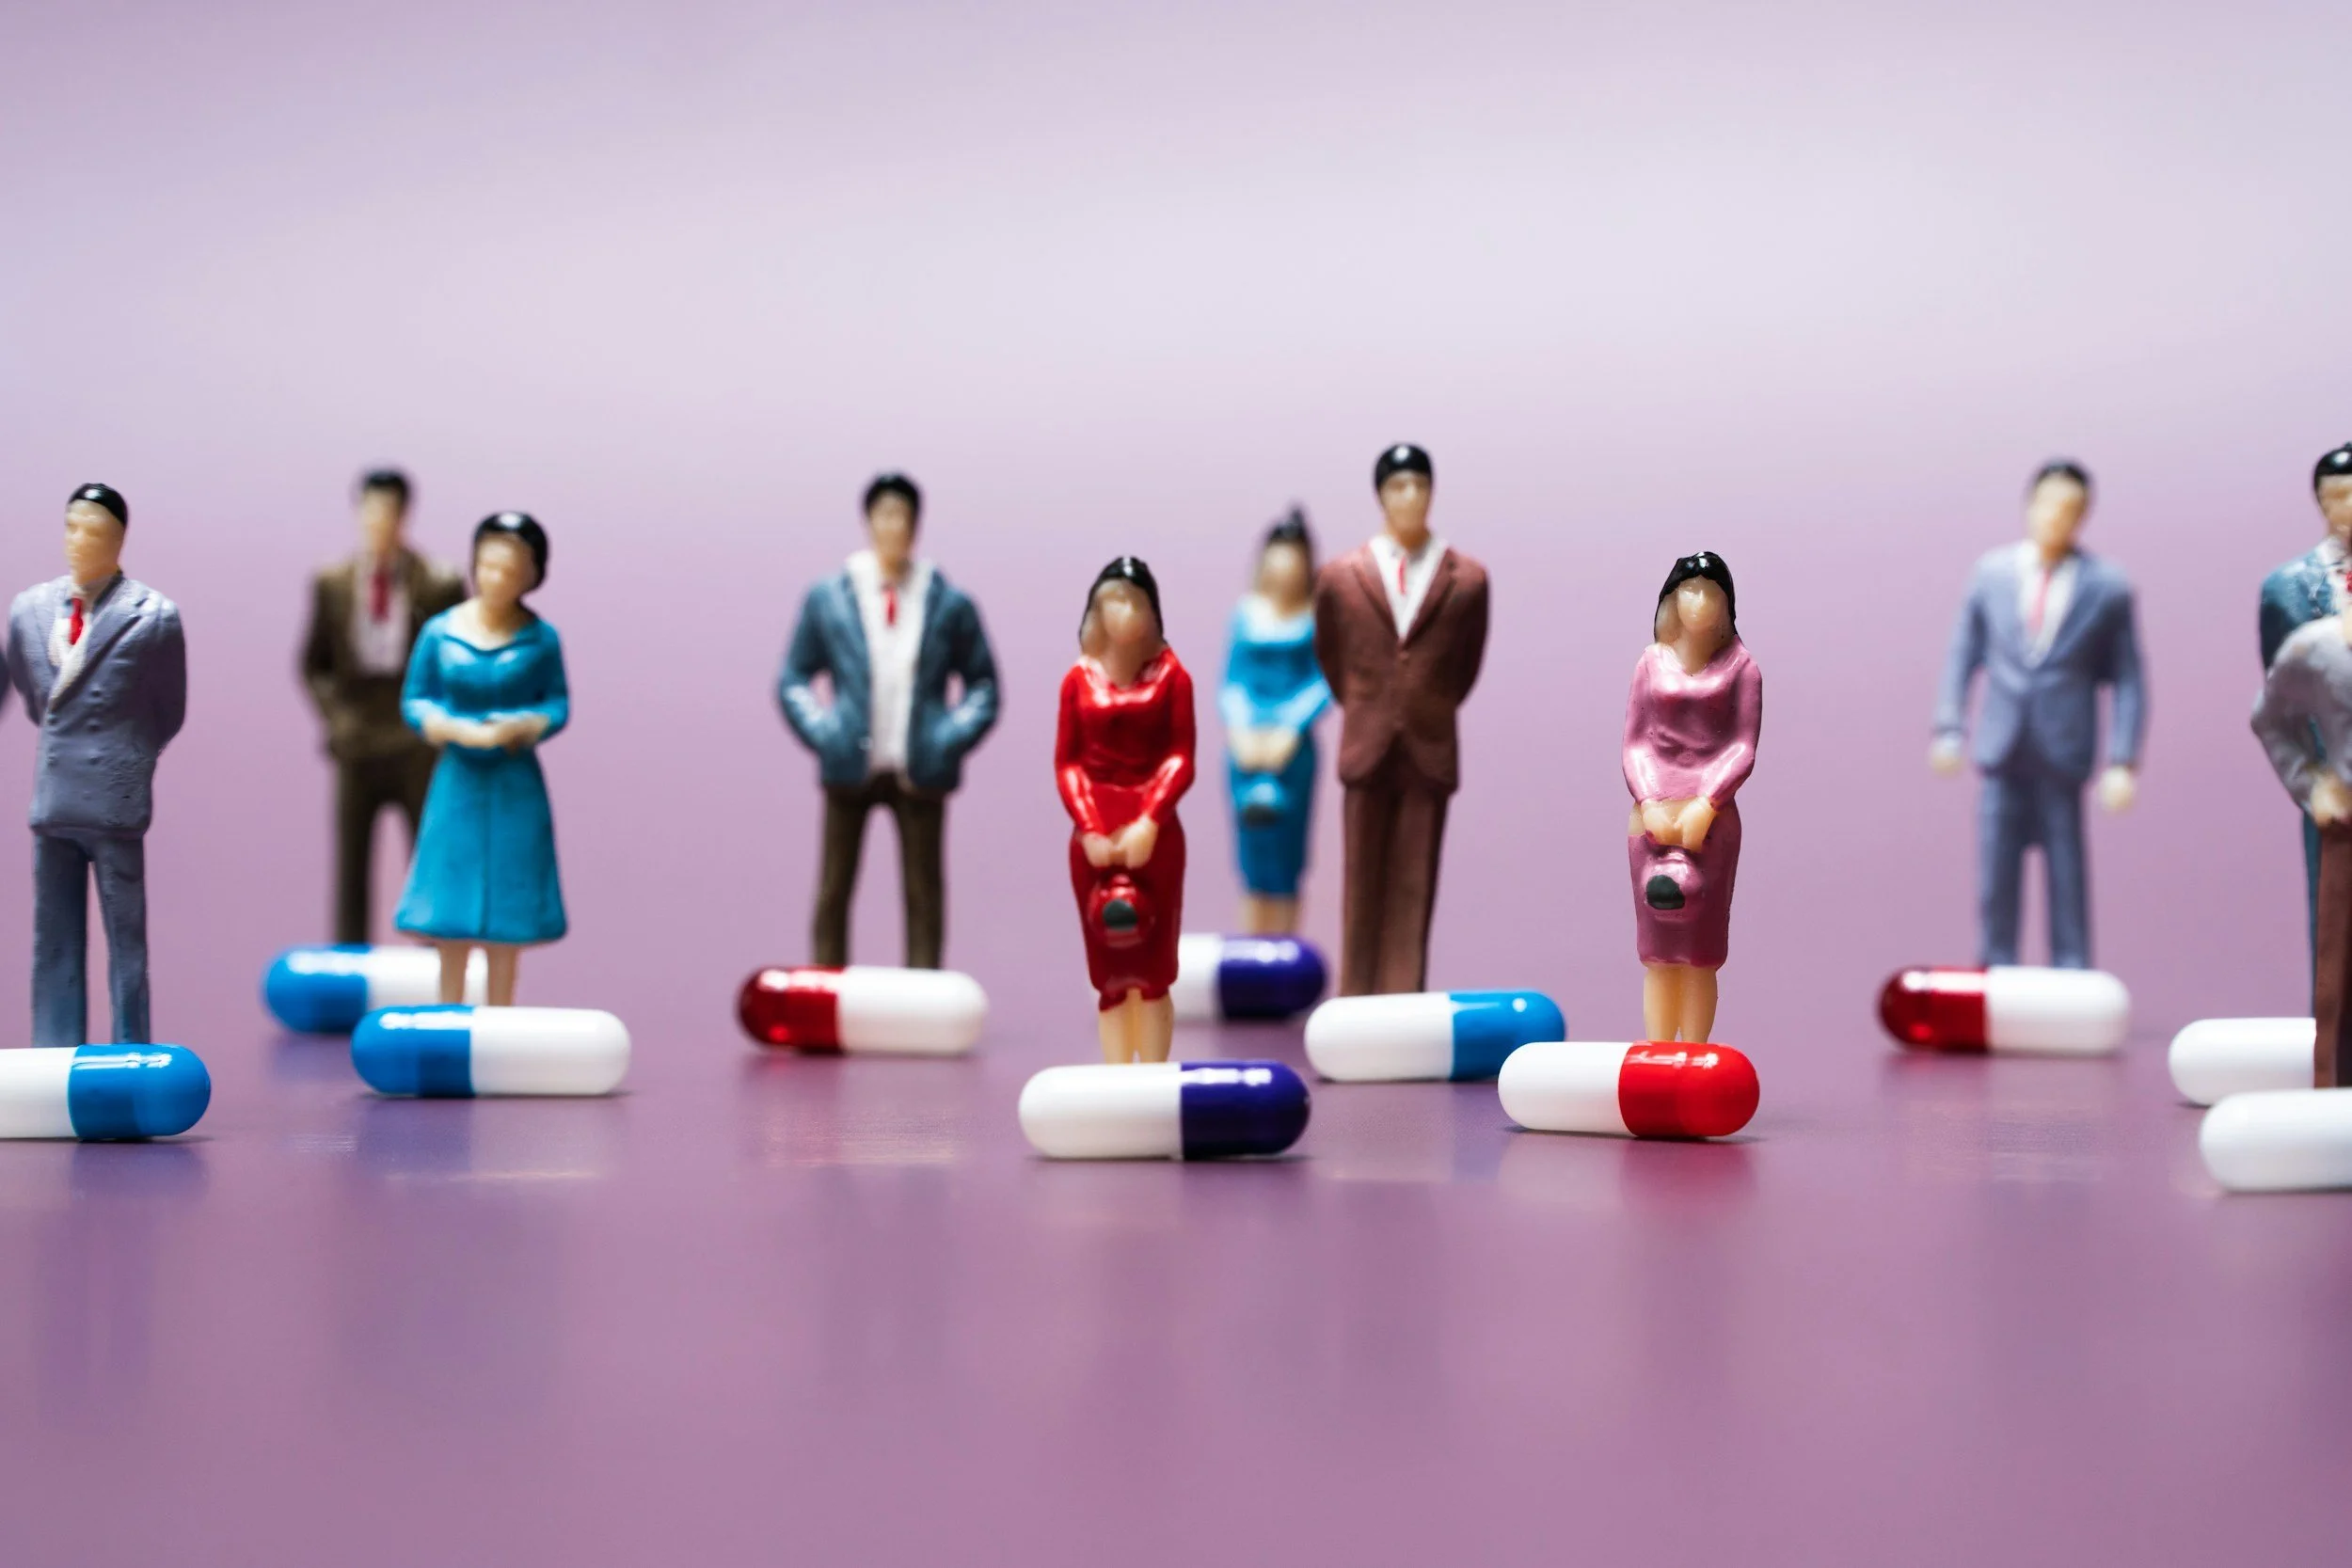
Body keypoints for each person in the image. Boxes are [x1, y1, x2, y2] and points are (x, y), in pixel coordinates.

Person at [779, 473, 999, 969]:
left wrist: (947, 739)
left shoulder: (947, 601)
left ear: (916, 525)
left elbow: (984, 687)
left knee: (924, 890)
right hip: (849, 765)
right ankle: (826, 982)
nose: (893, 526)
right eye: (884, 515)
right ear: (868, 522)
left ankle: (924, 987)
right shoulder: (830, 598)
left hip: (918, 768)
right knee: (834, 887)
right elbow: (793, 677)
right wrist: (824, 731)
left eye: (902, 516)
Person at [1932, 459, 2145, 969]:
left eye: (2071, 508)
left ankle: (2071, 968)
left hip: (2063, 748)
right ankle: (1995, 966)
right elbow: (1963, 653)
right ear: (2029, 506)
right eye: (2049, 503)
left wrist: (2122, 760)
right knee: (1995, 871)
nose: (2057, 517)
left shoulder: (2108, 586)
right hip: (2002, 745)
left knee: (2066, 869)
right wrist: (1949, 726)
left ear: (2084, 516)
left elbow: (2130, 678)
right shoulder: (1991, 573)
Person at [5, 483, 187, 1046]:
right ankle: (54, 1047)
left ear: (118, 538)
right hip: (55, 795)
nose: (79, 540)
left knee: (125, 939)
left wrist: (126, 760)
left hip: (114, 799)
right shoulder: (30, 609)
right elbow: (35, 697)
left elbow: (168, 711)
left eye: (94, 530)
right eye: (71, 526)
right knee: (52, 937)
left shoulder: (153, 615)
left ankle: (131, 1047)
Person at [1312, 443, 1488, 995]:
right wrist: (1369, 705)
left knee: (1415, 879)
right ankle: (1356, 995)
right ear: (1380, 495)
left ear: (1432, 492)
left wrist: (1425, 706)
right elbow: (1331, 655)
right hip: (1366, 742)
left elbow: (1464, 666)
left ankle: (1402, 996)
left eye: (1419, 485)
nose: (1410, 497)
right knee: (1361, 877)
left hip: (1429, 743)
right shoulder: (1341, 576)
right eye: (1398, 486)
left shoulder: (1468, 579)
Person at [394, 513, 569, 1006]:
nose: (497, 580)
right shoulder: (440, 632)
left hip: (515, 783)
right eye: (489, 567)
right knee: (451, 892)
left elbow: (557, 704)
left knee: (508, 907)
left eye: (511, 571)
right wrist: (449, 727)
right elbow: (416, 700)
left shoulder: (542, 639)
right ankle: (448, 1004)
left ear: (532, 575)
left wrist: (525, 726)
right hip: (460, 781)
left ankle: (500, 1010)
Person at [299, 467, 464, 943]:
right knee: (351, 862)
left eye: (389, 511)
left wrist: (436, 719)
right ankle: (348, 961)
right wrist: (337, 719)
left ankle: (439, 959)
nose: (379, 522)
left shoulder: (437, 581)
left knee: (428, 856)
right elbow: (314, 664)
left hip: (415, 738)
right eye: (371, 510)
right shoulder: (333, 581)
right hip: (357, 738)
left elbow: (455, 659)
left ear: (405, 516)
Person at [1055, 558, 1195, 1064]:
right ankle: (1116, 1075)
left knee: (1154, 969)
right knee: (1111, 968)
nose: (1125, 611)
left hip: (1153, 837)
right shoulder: (1078, 681)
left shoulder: (1172, 677)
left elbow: (1180, 759)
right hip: (1094, 838)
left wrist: (1150, 820)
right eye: (1114, 599)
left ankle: (1154, 1072)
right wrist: (1090, 826)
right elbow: (1068, 764)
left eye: (1134, 600)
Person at [1624, 553, 1762, 1045]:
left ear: (1726, 602)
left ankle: (1696, 1051)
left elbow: (1742, 746)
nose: (1700, 601)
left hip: (1711, 819)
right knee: (1658, 948)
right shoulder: (1650, 663)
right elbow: (1636, 742)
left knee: (1701, 951)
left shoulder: (1742, 668)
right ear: (1672, 598)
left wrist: (1708, 801)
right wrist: (1651, 799)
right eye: (1690, 589)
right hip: (1652, 816)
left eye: (1711, 591)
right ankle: (1659, 1048)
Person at [2256, 440, 2352, 960]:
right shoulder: (2289, 588)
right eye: (2341, 496)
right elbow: (2280, 705)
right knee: (2336, 927)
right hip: (2336, 787)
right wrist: (2312, 783)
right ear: (2322, 501)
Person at [2252, 604, 2352, 1085]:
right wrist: (2311, 786)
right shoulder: (2318, 647)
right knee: (2337, 971)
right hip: (2347, 824)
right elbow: (2268, 717)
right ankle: (2332, 1093)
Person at [1220, 508, 1329, 935]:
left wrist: (1290, 727)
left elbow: (1323, 681)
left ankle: (1285, 942)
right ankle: (1253, 945)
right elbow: (1231, 681)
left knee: (1287, 852)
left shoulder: (1314, 617)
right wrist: (1241, 729)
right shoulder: (1246, 614)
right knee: (1252, 850)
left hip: (1291, 747)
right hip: (1245, 746)